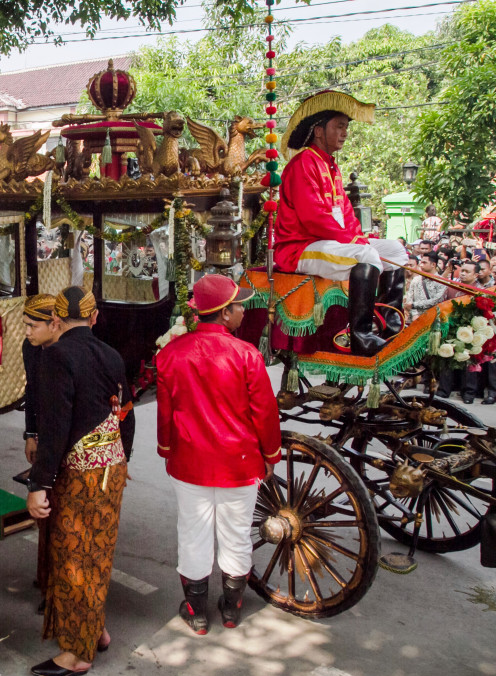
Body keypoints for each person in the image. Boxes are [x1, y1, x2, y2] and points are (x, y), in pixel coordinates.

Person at [156, 275, 282, 634]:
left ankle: (196, 612)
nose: (244, 310)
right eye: (239, 305)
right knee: (236, 534)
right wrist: (271, 454)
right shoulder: (246, 355)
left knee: (193, 533)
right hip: (239, 463)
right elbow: (265, 413)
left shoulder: (170, 354)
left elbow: (166, 414)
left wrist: (167, 450)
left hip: (189, 461)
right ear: (225, 313)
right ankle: (230, 609)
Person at [25, 286, 134, 676]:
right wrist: (123, 457)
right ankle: (96, 630)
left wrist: (39, 483)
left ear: (56, 319)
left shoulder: (56, 356)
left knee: (73, 559)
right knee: (97, 555)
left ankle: (76, 654)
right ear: (94, 318)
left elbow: (54, 430)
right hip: (111, 468)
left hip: (81, 474)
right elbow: (126, 412)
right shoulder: (111, 353)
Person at [276, 91, 409, 355]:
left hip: (332, 244)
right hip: (300, 247)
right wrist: (355, 242)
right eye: (339, 126)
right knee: (366, 254)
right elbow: (314, 218)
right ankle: (361, 335)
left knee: (395, 250)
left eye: (346, 127)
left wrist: (358, 237)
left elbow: (346, 214)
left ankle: (390, 323)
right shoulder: (303, 163)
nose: (345, 132)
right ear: (318, 130)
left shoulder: (332, 167)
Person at [20, 294, 60, 614]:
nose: (28, 333)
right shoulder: (30, 349)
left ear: (54, 324)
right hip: (44, 437)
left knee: (57, 515)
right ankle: (45, 579)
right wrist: (30, 434)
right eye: (26, 326)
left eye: (33, 326)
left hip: (66, 445)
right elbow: (31, 393)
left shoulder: (68, 354)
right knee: (45, 515)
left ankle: (54, 588)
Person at [405, 252, 447, 321]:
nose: (421, 265)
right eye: (421, 262)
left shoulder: (442, 282)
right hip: (415, 320)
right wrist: (415, 314)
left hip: (434, 319)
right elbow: (409, 299)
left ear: (433, 264)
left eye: (424, 263)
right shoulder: (416, 280)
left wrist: (414, 305)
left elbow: (436, 300)